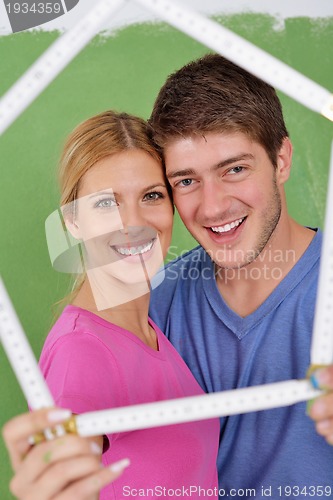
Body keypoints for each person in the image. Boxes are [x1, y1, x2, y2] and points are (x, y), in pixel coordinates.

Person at [2, 110, 219, 500]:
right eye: (106, 203)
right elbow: (70, 461)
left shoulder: (148, 330)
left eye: (151, 196)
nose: (132, 222)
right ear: (72, 221)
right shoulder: (82, 352)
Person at [147, 54, 333, 497]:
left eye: (234, 169)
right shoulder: (156, 301)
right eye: (186, 181)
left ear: (281, 160)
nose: (212, 208)